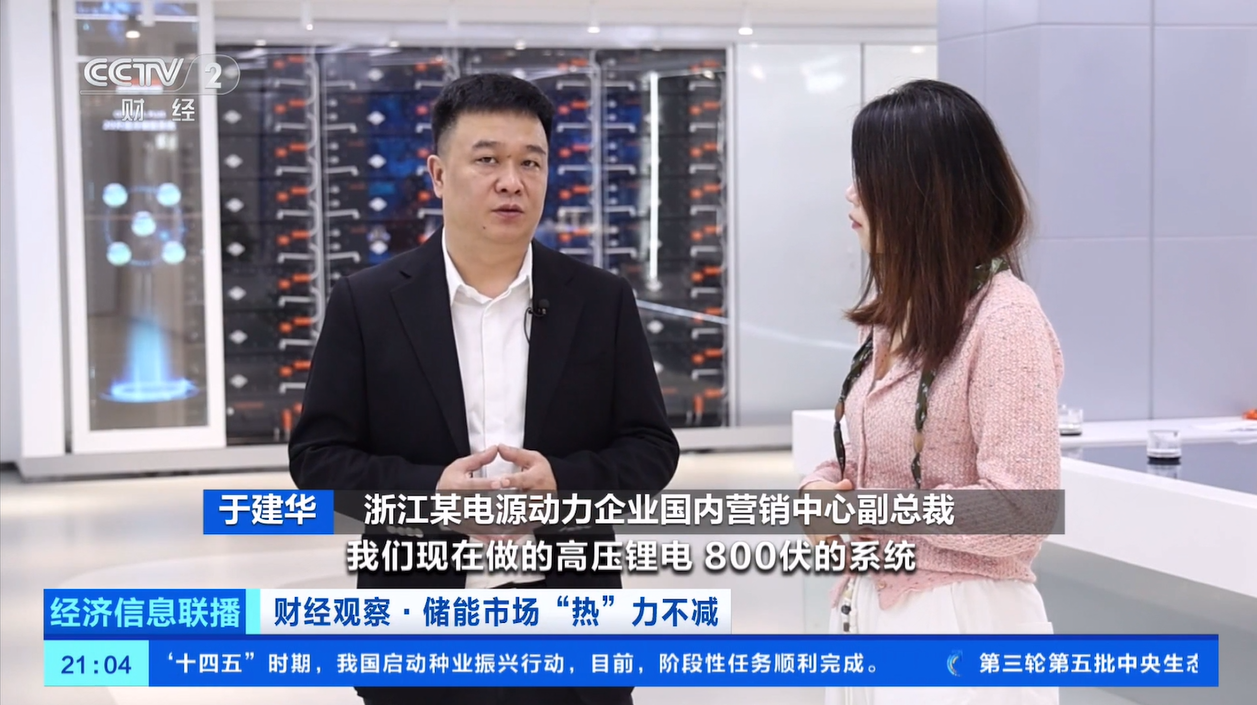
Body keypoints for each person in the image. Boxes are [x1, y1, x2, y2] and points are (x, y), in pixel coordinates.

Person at [290, 73, 681, 705]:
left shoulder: (601, 300)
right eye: (488, 160)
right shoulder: (367, 303)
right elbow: (318, 461)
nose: (512, 181)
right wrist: (430, 496)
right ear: (438, 175)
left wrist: (564, 484)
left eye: (531, 162)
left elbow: (650, 449)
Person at [799, 79, 1064, 705]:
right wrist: (818, 492)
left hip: (962, 628)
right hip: (869, 612)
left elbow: (1022, 512)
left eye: (870, 177)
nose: (851, 193)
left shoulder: (1006, 319)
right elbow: (865, 463)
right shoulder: (896, 314)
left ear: (924, 192)